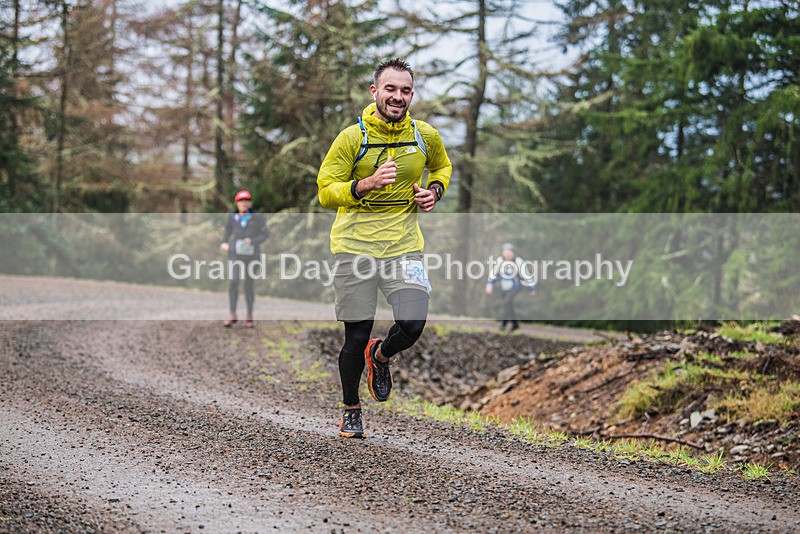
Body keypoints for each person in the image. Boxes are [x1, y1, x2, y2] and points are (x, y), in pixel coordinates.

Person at [317, 58, 452, 438]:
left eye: (405, 90)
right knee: (354, 335)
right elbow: (326, 191)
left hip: (403, 247)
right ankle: (351, 408)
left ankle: (381, 355)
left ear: (412, 94)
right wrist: (365, 185)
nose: (398, 97)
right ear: (374, 92)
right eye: (390, 89)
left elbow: (442, 167)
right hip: (354, 248)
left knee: (413, 324)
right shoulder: (351, 138)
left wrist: (434, 192)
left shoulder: (424, 135)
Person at [219, 189, 269, 328]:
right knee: (234, 281)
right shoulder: (232, 216)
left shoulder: (257, 217)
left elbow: (265, 235)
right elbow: (227, 231)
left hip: (252, 256)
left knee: (248, 284)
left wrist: (252, 240)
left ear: (249, 203)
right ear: (237, 203)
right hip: (235, 254)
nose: (244, 203)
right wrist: (224, 242)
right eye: (241, 201)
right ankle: (232, 313)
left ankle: (249, 316)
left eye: (246, 201)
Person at [486, 243, 536, 332]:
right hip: (503, 287)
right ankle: (515, 324)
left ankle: (503, 325)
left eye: (509, 252)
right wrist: (490, 284)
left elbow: (526, 274)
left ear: (512, 252)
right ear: (503, 252)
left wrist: (531, 287)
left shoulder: (518, 261)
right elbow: (494, 273)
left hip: (514, 287)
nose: (507, 254)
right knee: (509, 305)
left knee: (506, 303)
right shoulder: (500, 260)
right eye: (505, 252)